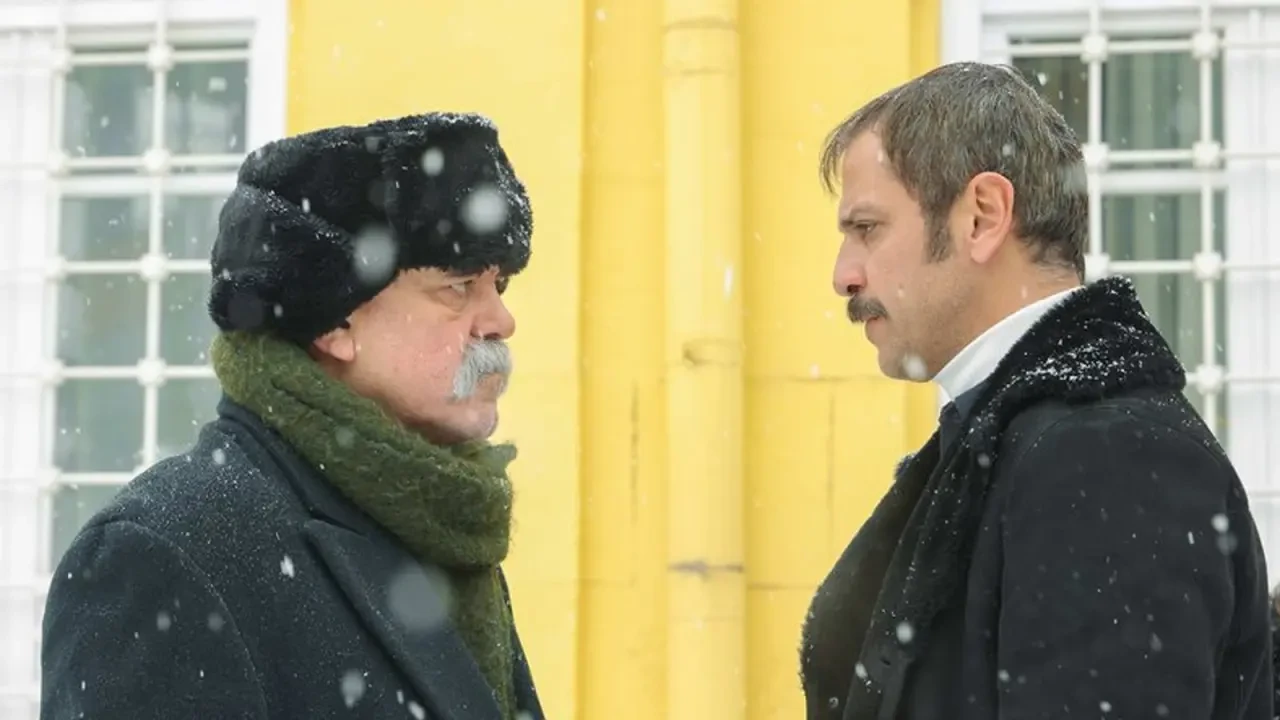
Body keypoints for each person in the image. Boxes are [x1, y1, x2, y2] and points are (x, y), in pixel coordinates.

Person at [799, 62, 1272, 720]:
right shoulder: (1035, 437)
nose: (843, 275)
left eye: (868, 228)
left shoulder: (1105, 456)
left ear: (983, 216)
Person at [40, 112, 544, 720]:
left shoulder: (438, 519)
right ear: (333, 322)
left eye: (499, 286)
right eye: (457, 288)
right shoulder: (165, 554)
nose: (500, 321)